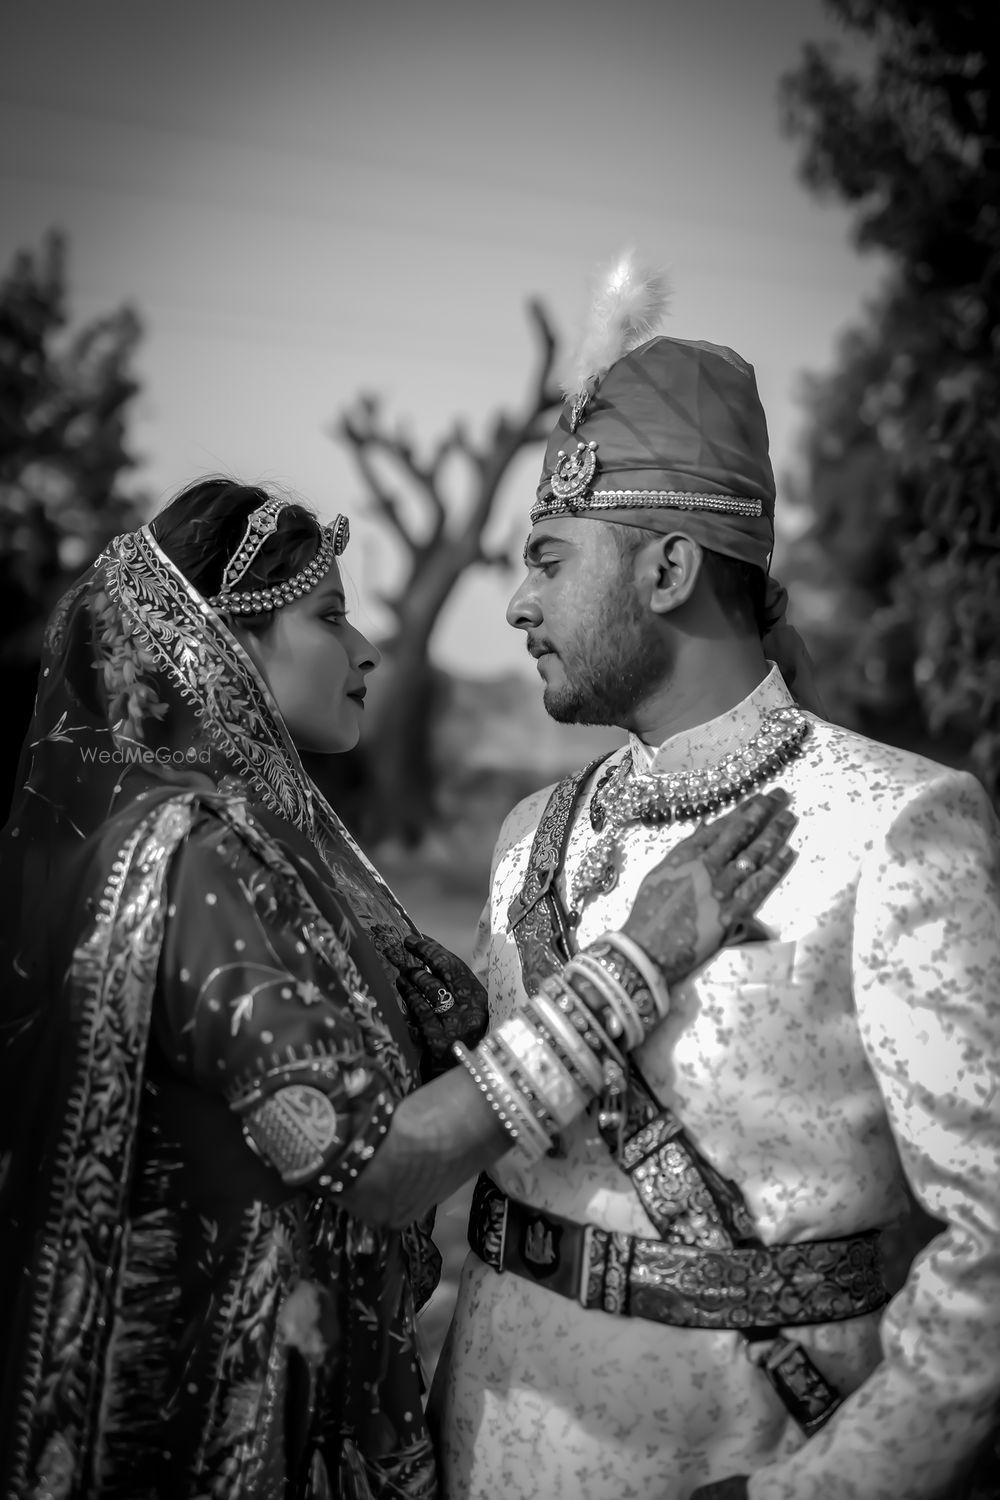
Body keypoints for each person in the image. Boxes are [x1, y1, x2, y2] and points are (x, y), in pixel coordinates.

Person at [0, 477, 796, 1500]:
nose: (365, 647)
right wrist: (632, 968)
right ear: (215, 645)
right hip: (236, 1433)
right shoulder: (195, 856)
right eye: (327, 616)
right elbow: (371, 1166)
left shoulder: (234, 847)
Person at [433, 254, 1000, 1500]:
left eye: (546, 557)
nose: (516, 606)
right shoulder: (531, 832)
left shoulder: (894, 827)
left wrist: (817, 1493)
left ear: (668, 570)